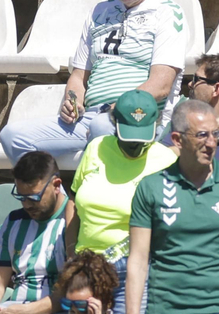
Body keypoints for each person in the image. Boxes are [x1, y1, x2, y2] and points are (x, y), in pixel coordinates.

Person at [0, 0, 184, 160]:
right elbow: (78, 77)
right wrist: (73, 99)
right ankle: (52, 192)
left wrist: (119, 108)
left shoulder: (167, 12)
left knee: (100, 127)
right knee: (12, 136)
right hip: (90, 117)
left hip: (135, 119)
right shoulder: (99, 12)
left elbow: (161, 85)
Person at [127, 101, 219, 314]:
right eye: (201, 135)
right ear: (177, 139)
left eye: (215, 134)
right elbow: (138, 260)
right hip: (166, 308)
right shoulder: (151, 187)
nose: (211, 143)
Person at [65, 90, 177, 314]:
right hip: (86, 269)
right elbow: (74, 201)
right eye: (129, 138)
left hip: (135, 270)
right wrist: (70, 255)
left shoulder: (167, 161)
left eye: (141, 139)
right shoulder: (96, 148)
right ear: (115, 124)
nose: (135, 146)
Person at [0, 151, 72, 314]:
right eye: (21, 197)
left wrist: (29, 310)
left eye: (34, 198)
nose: (27, 205)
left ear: (56, 185)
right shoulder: (13, 221)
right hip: (16, 307)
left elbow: (73, 290)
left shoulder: (73, 221)